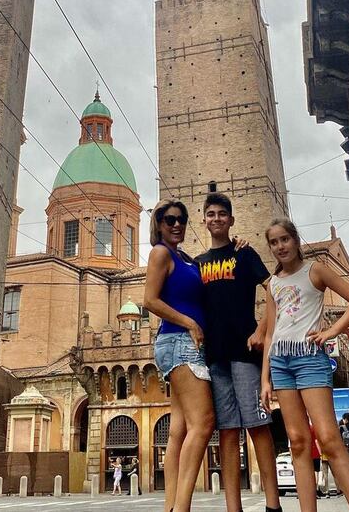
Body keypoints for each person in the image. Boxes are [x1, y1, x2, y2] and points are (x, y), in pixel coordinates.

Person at [260, 218, 349, 512]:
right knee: (296, 441)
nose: (280, 246)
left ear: (295, 241)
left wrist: (333, 331)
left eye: (284, 239)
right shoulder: (272, 284)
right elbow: (270, 332)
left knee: (328, 438)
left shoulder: (316, 270)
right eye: (274, 242)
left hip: (310, 359)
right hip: (280, 362)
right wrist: (265, 379)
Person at [196, 191, 282, 512]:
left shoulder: (244, 254)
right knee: (228, 433)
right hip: (215, 358)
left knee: (258, 426)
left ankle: (274, 505)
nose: (216, 219)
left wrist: (262, 329)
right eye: (211, 214)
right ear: (204, 220)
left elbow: (273, 288)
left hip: (245, 354)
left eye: (222, 214)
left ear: (231, 220)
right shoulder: (199, 264)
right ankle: (234, 508)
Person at [144, 199, 215, 512]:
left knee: (179, 430)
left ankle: (171, 505)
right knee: (204, 423)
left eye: (181, 219)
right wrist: (189, 323)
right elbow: (149, 300)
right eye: (170, 219)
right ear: (159, 224)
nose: (176, 225)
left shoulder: (184, 258)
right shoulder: (160, 252)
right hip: (180, 342)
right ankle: (182, 506)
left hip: (179, 343)